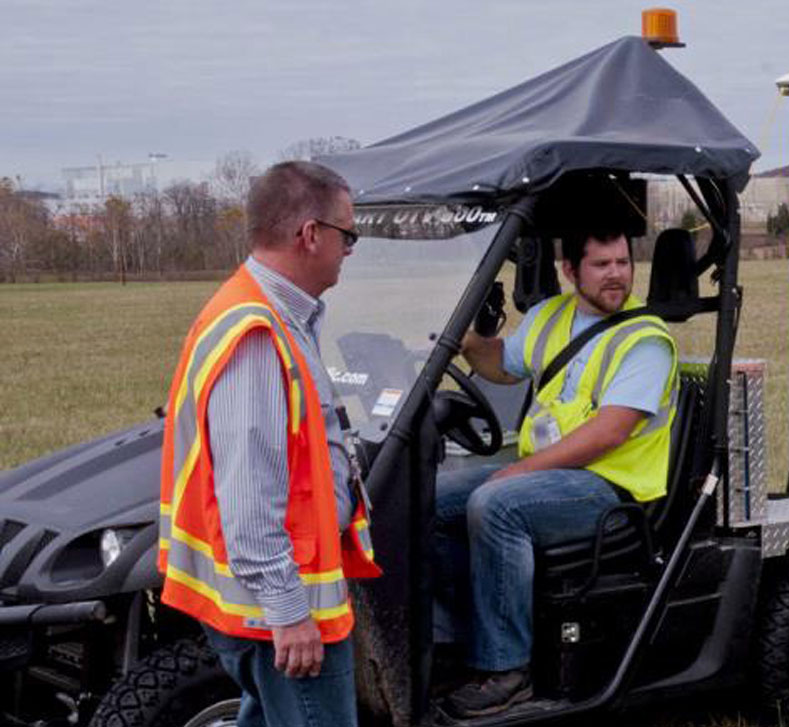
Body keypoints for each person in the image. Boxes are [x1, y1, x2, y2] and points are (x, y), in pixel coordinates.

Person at [158, 161, 380, 727]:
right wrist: (288, 612)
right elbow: (250, 490)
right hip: (282, 609)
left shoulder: (273, 313)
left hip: (269, 605)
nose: (350, 249)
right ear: (311, 235)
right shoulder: (256, 333)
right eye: (347, 235)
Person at [435, 225, 678, 718]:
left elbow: (607, 433)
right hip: (550, 477)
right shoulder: (553, 316)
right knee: (429, 496)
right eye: (602, 265)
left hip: (612, 490)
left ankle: (507, 672)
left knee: (495, 505)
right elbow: (503, 365)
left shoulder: (645, 341)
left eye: (623, 264)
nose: (616, 276)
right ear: (571, 271)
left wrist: (519, 470)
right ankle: (453, 640)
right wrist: (463, 338)